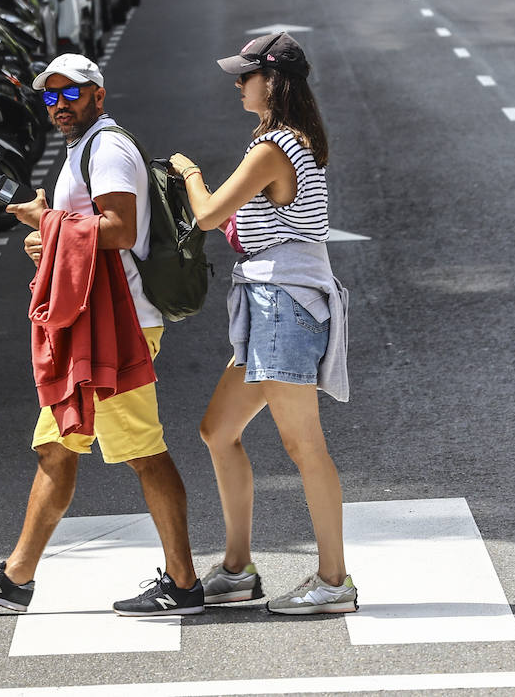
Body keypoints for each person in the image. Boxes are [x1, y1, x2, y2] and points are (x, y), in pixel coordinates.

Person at [0, 53, 203, 618]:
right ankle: (16, 577)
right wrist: (50, 239)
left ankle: (183, 584)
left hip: (118, 327)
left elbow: (118, 228)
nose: (60, 106)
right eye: (50, 97)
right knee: (55, 447)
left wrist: (45, 225)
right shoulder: (81, 151)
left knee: (143, 453)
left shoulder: (106, 149)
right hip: (94, 324)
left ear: (98, 96)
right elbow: (85, 235)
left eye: (71, 94)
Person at [167, 33, 355, 616]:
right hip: (270, 304)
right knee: (218, 430)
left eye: (245, 75)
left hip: (284, 306)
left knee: (305, 446)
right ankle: (237, 569)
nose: (237, 83)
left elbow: (206, 214)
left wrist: (188, 172)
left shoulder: (275, 147)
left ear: (272, 81)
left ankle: (334, 580)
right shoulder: (291, 142)